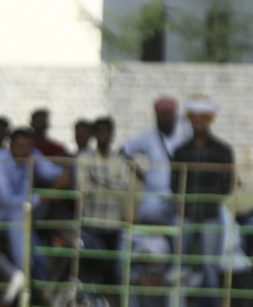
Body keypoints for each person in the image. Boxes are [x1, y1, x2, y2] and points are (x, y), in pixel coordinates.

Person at [169, 96, 235, 307]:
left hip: (210, 214)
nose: (198, 121)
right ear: (189, 120)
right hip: (185, 214)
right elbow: (174, 183)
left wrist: (211, 199)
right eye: (194, 117)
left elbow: (227, 183)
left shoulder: (222, 150)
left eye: (202, 118)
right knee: (177, 262)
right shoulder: (180, 151)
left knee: (210, 266)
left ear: (208, 120)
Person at [0, 128, 62, 279]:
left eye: (28, 147)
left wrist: (63, 174)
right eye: (21, 146)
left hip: (21, 216)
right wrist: (41, 198)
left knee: (40, 260)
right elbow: (8, 201)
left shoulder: (31, 154)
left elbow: (51, 172)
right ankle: (24, 270)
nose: (25, 151)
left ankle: (34, 280)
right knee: (18, 213)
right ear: (11, 146)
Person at [120, 96, 190, 225]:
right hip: (153, 198)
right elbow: (124, 150)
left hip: (179, 197)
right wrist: (140, 174)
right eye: (162, 114)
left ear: (174, 115)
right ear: (157, 116)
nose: (165, 118)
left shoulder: (185, 135)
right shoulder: (148, 137)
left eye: (168, 114)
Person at [77, 116, 137, 253]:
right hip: (90, 222)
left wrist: (100, 180)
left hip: (113, 223)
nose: (104, 135)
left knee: (111, 260)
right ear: (94, 134)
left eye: (107, 132)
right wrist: (113, 184)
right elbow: (83, 188)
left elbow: (125, 188)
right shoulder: (84, 157)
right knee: (92, 259)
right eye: (100, 131)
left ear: (112, 134)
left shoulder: (120, 159)